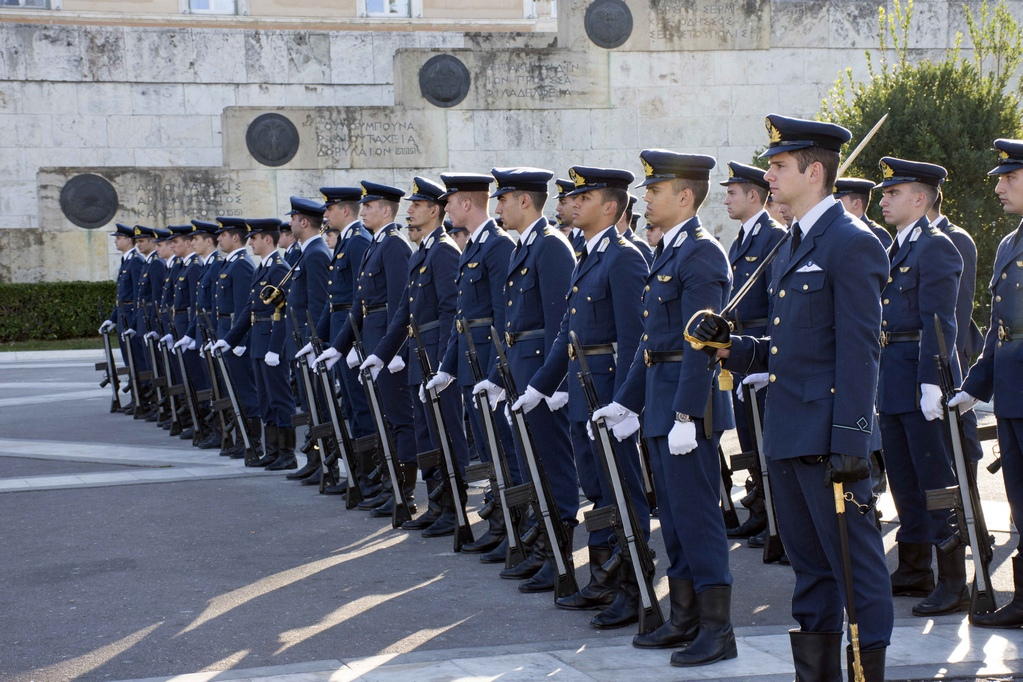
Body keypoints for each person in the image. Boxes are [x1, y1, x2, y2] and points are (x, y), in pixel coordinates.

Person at [691, 114, 892, 680]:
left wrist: (851, 438)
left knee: (855, 568)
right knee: (810, 570)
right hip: (788, 430)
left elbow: (859, 350)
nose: (770, 175)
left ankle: (865, 670)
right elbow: (794, 341)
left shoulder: (851, 243)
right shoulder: (795, 242)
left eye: (779, 166)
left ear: (814, 171)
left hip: (830, 437)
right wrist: (738, 347)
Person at [600, 150, 736, 665]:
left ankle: (717, 629)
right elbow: (650, 342)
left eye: (654, 191)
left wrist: (685, 415)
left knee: (698, 519)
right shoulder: (667, 252)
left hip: (688, 408)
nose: (645, 199)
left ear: (684, 196)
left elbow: (701, 344)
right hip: (661, 401)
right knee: (674, 519)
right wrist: (625, 402)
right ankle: (683, 617)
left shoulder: (701, 255)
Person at [513, 165, 650, 629]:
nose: (573, 204)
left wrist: (628, 402)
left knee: (621, 490)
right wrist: (539, 387)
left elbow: (635, 339)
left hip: (607, 391)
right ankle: (606, 574)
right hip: (581, 388)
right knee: (597, 490)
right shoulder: (588, 255)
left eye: (584, 198)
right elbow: (566, 338)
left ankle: (634, 585)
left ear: (609, 207)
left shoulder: (625, 257)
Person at [873, 157, 966, 616]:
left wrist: (933, 379)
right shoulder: (896, 248)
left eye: (893, 192)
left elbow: (940, 320)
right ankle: (914, 569)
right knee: (904, 480)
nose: (884, 199)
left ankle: (954, 579)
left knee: (936, 482)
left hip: (918, 376)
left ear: (920, 198)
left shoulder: (936, 247)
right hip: (892, 376)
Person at [485, 167, 577, 593]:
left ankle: (559, 559)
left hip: (543, 372)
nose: (497, 207)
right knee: (529, 464)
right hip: (523, 368)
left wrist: (556, 385)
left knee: (551, 466)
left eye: (504, 199)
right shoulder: (526, 246)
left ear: (525, 201)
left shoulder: (551, 246)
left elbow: (562, 321)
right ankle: (543, 548)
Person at [425, 172, 519, 559]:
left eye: (449, 201)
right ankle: (499, 523)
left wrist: (498, 374)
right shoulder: (475, 247)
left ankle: (514, 527)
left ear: (465, 203)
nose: (445, 208)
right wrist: (446, 368)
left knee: (502, 449)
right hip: (468, 362)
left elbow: (503, 317)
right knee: (487, 447)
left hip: (486, 364)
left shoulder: (496, 247)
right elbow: (462, 316)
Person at [368, 177, 470, 535]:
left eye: (415, 205)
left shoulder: (443, 251)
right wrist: (381, 354)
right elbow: (404, 313)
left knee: (445, 434)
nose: (409, 211)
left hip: (434, 358)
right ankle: (437, 503)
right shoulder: (424, 251)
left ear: (434, 210)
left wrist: (444, 365)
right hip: (418, 355)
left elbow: (449, 311)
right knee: (427, 435)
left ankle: (454, 507)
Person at [951, 138, 1023, 628]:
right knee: (1021, 503)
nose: (999, 186)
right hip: (1014, 397)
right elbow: (1000, 330)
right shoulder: (1009, 243)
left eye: (1009, 178)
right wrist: (974, 387)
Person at [319, 182, 418, 519]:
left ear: (386, 210)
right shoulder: (376, 245)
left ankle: (403, 493)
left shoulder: (393, 246)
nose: (362, 211)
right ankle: (391, 487)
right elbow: (360, 306)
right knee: (385, 421)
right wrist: (339, 346)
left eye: (369, 206)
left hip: (388, 347)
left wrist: (397, 350)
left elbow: (398, 302)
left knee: (400, 422)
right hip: (374, 344)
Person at [720, 161, 787, 543]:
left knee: (765, 440)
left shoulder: (772, 238)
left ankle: (778, 517)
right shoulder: (743, 239)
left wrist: (769, 361)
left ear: (753, 196)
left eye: (732, 192)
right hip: (740, 352)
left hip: (760, 348)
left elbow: (777, 306)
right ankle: (760, 510)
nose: (726, 199)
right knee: (748, 438)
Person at [314, 187, 375, 495]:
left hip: (352, 336)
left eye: (331, 209)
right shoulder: (347, 241)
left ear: (346, 211)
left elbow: (359, 298)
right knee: (351, 408)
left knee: (362, 410)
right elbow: (335, 298)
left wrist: (349, 343)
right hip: (343, 332)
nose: (325, 215)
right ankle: (359, 475)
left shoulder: (357, 242)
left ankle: (369, 477)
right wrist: (323, 339)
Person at [220, 218, 296, 468]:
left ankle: (287, 453)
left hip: (271, 343)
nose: (250, 242)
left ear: (267, 239)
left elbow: (284, 311)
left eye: (254, 238)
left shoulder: (278, 268)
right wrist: (230, 339)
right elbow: (248, 310)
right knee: (265, 399)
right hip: (258, 342)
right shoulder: (261, 268)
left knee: (279, 398)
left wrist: (276, 348)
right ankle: (273, 450)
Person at [277, 197, 331, 482]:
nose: (290, 223)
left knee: (318, 404)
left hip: (311, 343)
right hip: (300, 342)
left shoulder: (317, 254)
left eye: (293, 218)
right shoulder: (305, 253)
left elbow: (320, 304)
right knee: (310, 405)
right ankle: (314, 459)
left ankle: (325, 463)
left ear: (303, 222)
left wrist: (315, 342)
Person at [210, 217, 260, 460]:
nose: (219, 239)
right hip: (226, 333)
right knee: (234, 389)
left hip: (236, 337)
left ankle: (252, 441)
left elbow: (243, 307)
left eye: (223, 234)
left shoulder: (241, 265)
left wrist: (239, 342)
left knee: (245, 390)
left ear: (236, 237)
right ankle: (242, 437)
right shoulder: (230, 264)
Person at [99, 223, 144, 413]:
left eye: (119, 238)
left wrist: (132, 323)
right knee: (129, 360)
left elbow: (137, 296)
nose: (116, 241)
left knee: (137, 361)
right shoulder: (127, 261)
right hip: (124, 318)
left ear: (128, 240)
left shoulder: (135, 262)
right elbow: (121, 299)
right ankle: (136, 396)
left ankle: (142, 398)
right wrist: (113, 319)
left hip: (131, 319)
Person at [834, 177, 893, 248]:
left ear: (856, 203)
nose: (834, 205)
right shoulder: (835, 231)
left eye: (839, 201)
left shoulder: (877, 235)